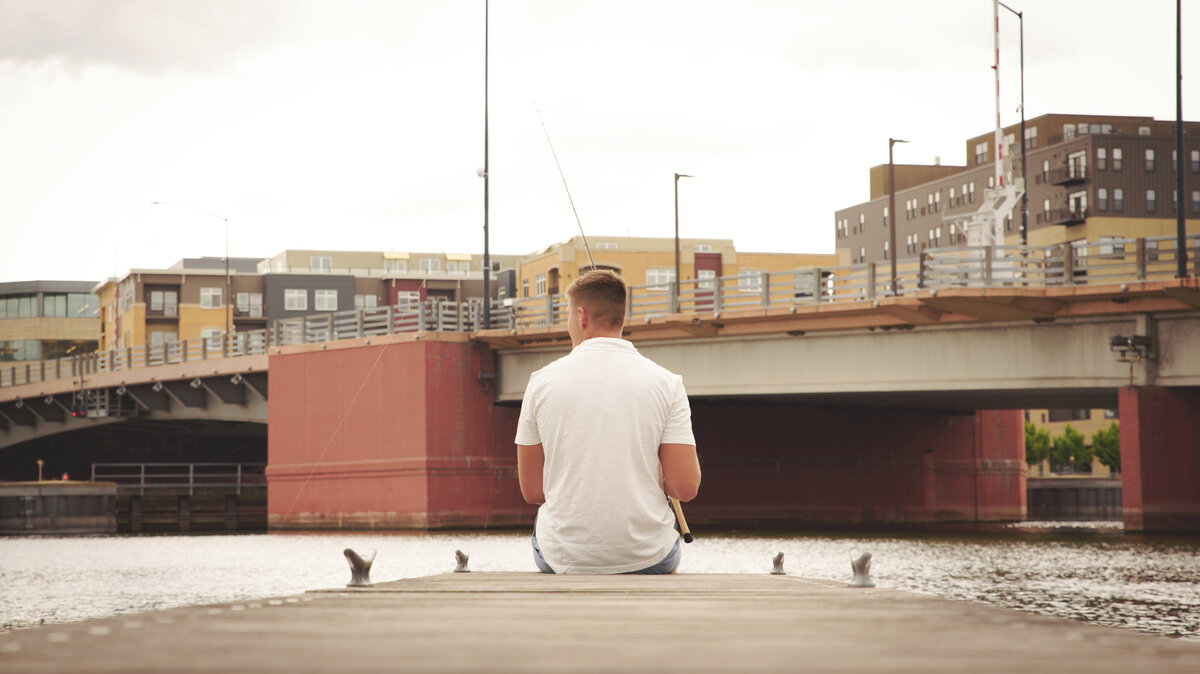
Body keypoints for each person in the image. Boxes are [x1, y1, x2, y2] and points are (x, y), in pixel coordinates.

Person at [515, 269, 701, 574]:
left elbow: (533, 491)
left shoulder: (540, 382)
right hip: (649, 556)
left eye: (568, 317)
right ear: (621, 317)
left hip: (562, 556)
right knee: (665, 553)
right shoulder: (667, 383)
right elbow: (685, 487)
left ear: (581, 315)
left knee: (546, 536)